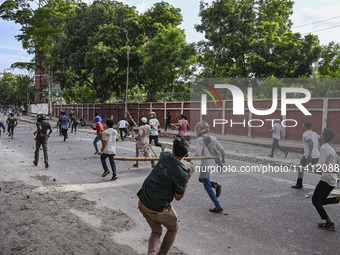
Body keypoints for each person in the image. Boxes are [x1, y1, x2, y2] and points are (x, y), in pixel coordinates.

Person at [137, 137, 192, 255]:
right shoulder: (182, 174)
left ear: (173, 149)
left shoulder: (164, 156)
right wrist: (187, 179)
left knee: (156, 231)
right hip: (157, 208)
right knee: (173, 228)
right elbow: (178, 197)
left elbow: (165, 154)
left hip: (143, 201)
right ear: (187, 154)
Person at [311, 128, 340, 231]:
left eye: (321, 134)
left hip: (327, 179)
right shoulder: (329, 148)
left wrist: (312, 167)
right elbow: (338, 160)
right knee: (321, 201)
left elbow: (319, 166)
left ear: (323, 136)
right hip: (333, 180)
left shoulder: (324, 148)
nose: (320, 136)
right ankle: (337, 199)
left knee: (315, 200)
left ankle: (330, 223)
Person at [195, 121, 225, 213]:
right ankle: (215, 185)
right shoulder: (213, 138)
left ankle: (218, 205)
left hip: (205, 165)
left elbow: (197, 154)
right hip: (212, 164)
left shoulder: (200, 140)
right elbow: (222, 150)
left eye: (199, 129)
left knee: (206, 186)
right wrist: (222, 159)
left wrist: (190, 158)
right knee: (201, 179)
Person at [292, 122, 320, 189]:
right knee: (317, 170)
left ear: (305, 127)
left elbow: (311, 142)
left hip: (308, 155)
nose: (301, 126)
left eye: (302, 125)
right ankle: (333, 179)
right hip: (316, 155)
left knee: (301, 167)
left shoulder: (306, 134)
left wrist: (310, 153)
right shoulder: (315, 133)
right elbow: (320, 139)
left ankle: (299, 184)